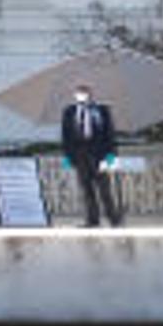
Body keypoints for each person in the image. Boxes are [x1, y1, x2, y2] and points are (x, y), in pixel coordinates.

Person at [59, 84, 124, 227]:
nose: (81, 95)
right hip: (80, 154)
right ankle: (92, 220)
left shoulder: (101, 110)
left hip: (100, 154)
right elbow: (65, 136)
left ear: (90, 94)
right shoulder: (69, 111)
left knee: (104, 189)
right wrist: (68, 157)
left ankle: (113, 219)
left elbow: (110, 134)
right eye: (79, 93)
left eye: (84, 92)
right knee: (87, 189)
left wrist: (111, 157)